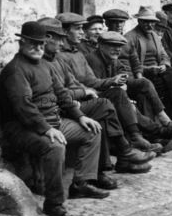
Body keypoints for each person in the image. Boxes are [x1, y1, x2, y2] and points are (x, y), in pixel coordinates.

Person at [0, 21, 107, 216]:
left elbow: (62, 94)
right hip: (22, 128)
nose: (38, 48)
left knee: (92, 131)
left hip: (52, 122)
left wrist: (80, 116)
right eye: (33, 43)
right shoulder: (16, 70)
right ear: (21, 43)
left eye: (41, 44)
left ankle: (80, 184)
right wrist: (47, 129)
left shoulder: (45, 65)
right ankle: (53, 203)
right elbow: (24, 108)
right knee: (55, 147)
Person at [38, 17, 156, 175]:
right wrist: (84, 92)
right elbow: (61, 93)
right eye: (78, 29)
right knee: (105, 104)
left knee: (114, 96)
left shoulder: (68, 56)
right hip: (66, 107)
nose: (81, 33)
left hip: (76, 100)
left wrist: (109, 82)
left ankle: (121, 155)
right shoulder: (53, 60)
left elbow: (84, 81)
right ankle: (126, 150)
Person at [55, 12, 162, 153]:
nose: (82, 33)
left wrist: (113, 81)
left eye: (82, 28)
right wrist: (90, 90)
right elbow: (66, 89)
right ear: (64, 32)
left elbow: (91, 81)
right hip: (74, 102)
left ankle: (142, 138)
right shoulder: (60, 57)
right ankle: (133, 143)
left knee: (124, 93)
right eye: (78, 29)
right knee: (114, 99)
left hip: (88, 95)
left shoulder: (77, 54)